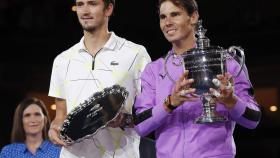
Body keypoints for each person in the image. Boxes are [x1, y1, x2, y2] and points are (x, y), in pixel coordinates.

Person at [134, 0, 261, 158]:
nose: (167, 23)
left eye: (175, 14)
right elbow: (140, 126)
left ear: (193, 17)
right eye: (163, 17)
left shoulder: (225, 61)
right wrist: (170, 103)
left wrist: (231, 101)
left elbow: (253, 119)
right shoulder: (154, 70)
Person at [48, 0, 151, 157]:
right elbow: (60, 118)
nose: (85, 11)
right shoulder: (62, 60)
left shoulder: (135, 54)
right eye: (80, 4)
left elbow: (151, 114)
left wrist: (124, 120)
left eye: (92, 3)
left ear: (108, 8)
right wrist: (54, 130)